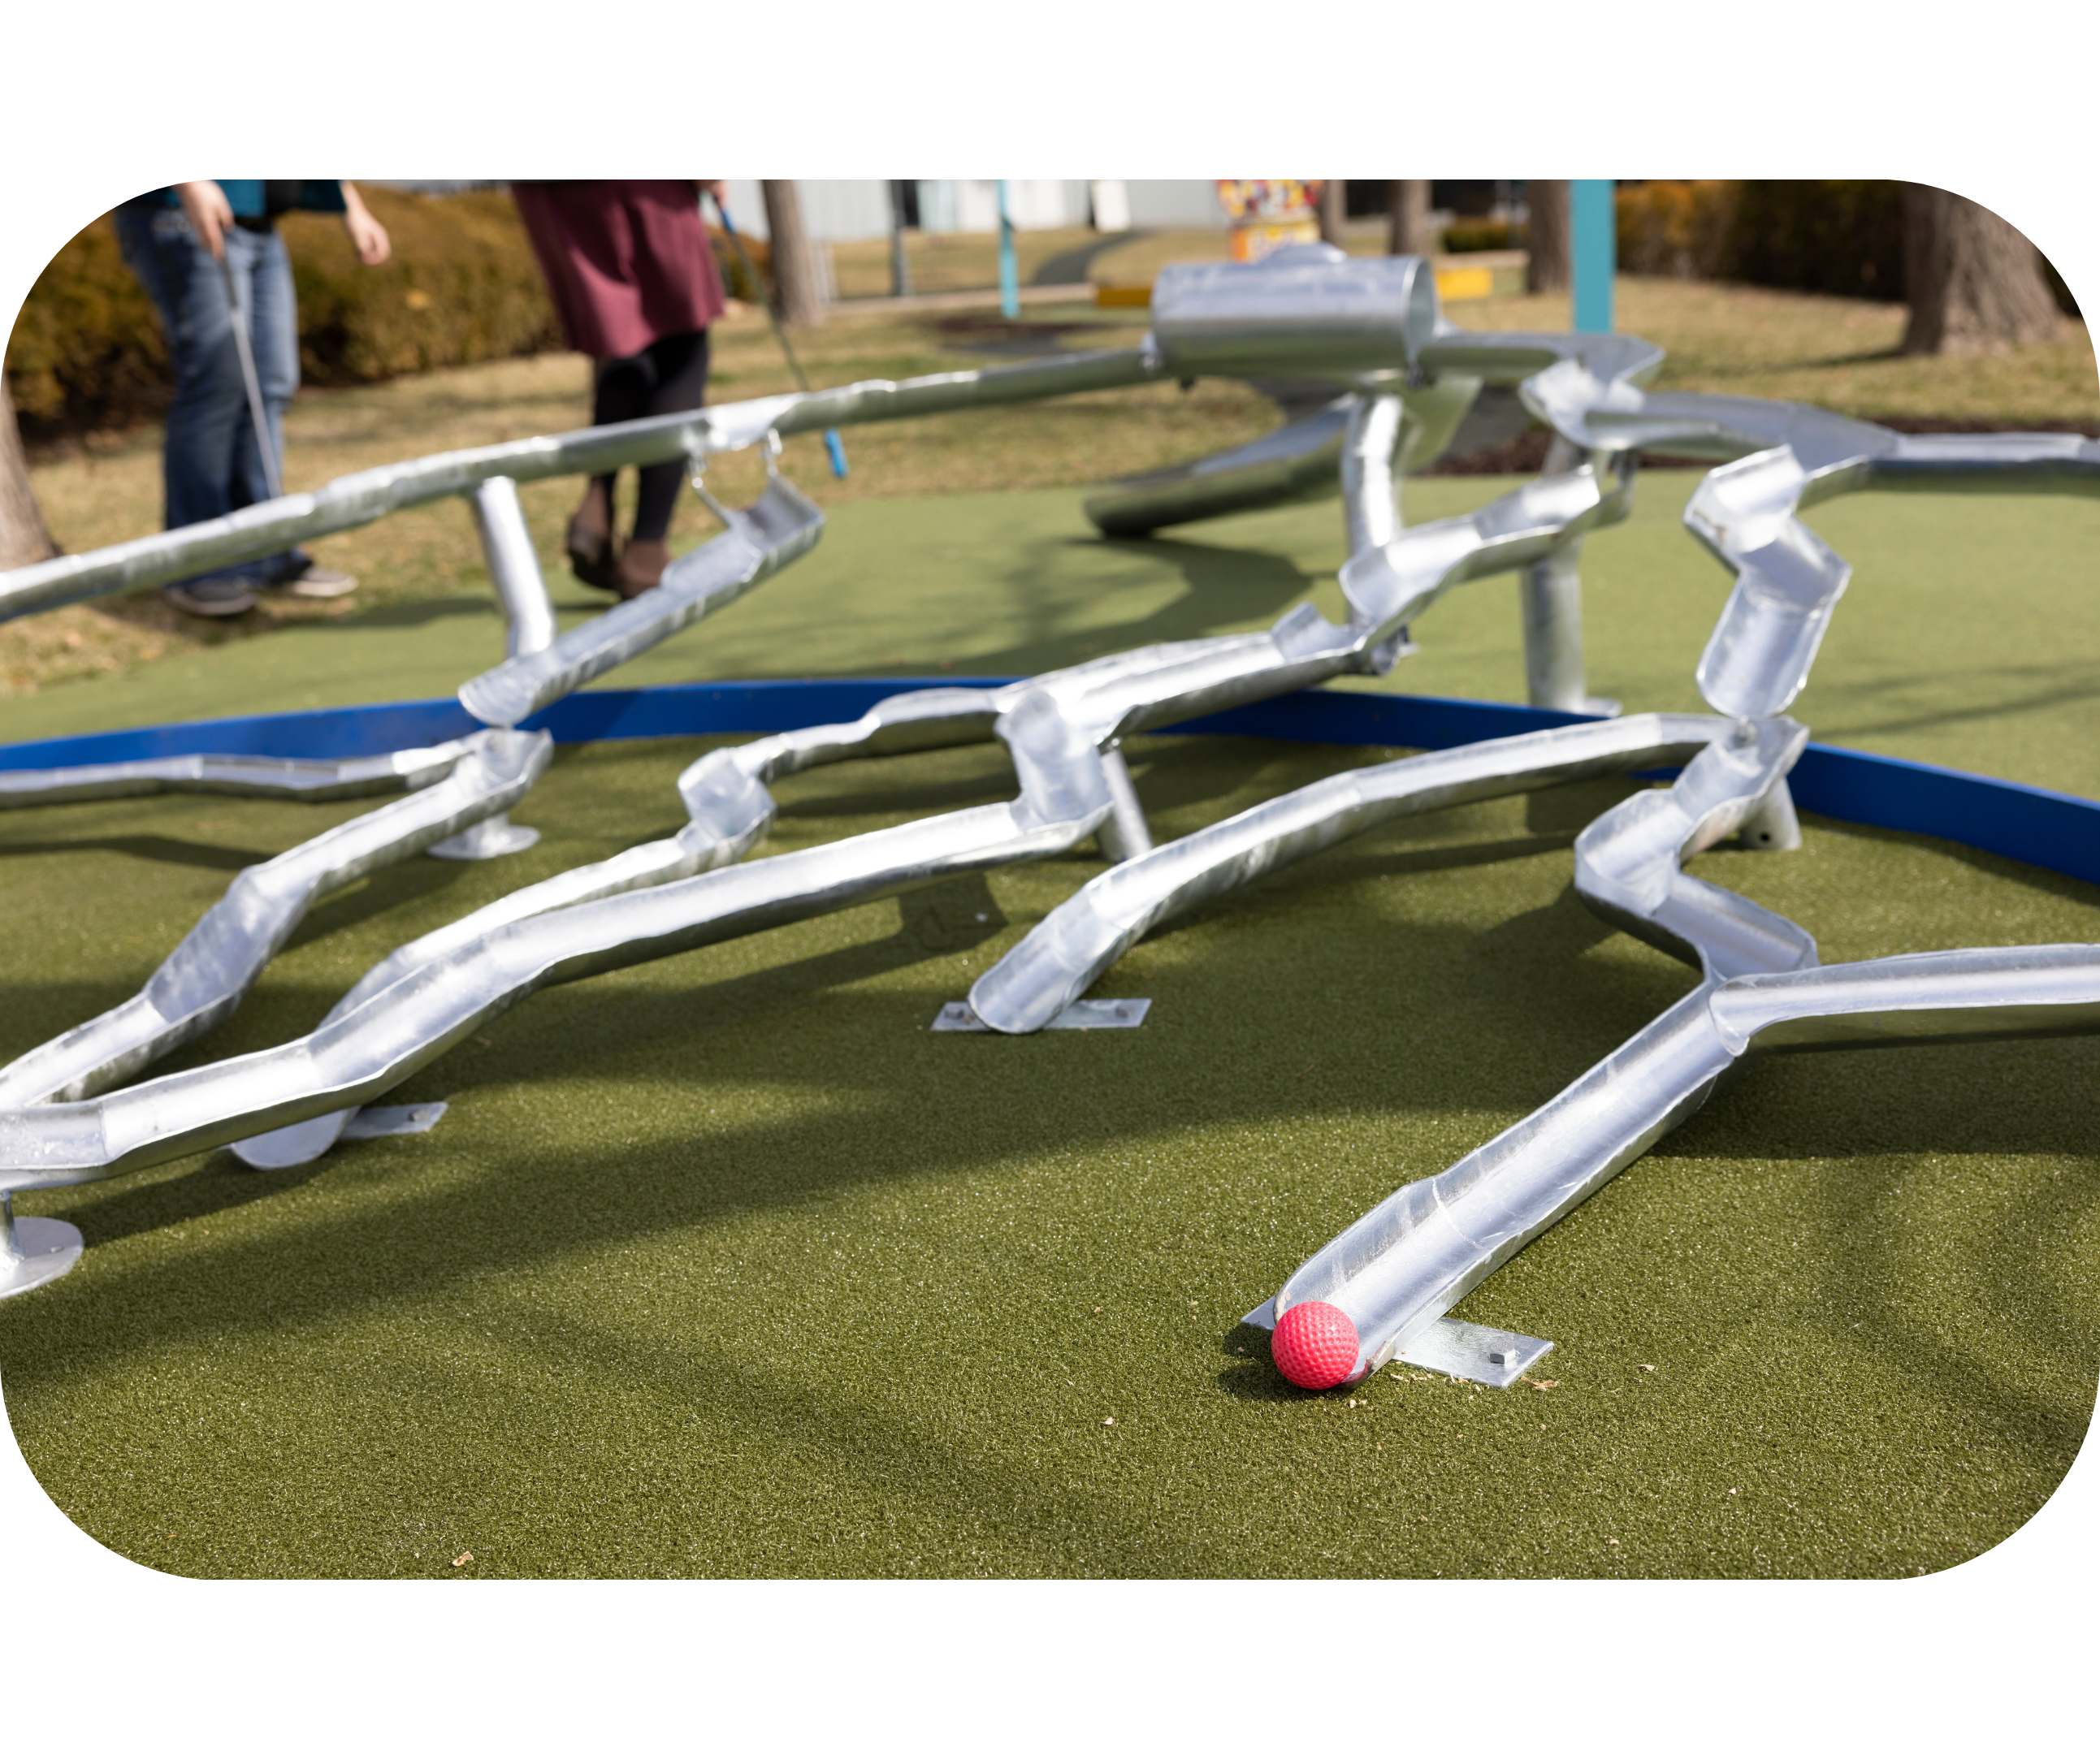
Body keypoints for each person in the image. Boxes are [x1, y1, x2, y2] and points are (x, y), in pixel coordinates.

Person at [116, 179, 390, 617]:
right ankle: (198, 565)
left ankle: (266, 552)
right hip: (181, 214)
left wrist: (350, 205)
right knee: (217, 382)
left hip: (260, 224)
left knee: (271, 383)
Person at [509, 179, 726, 599]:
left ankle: (598, 500)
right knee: (682, 351)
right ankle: (647, 546)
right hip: (646, 189)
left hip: (553, 194)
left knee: (626, 342)